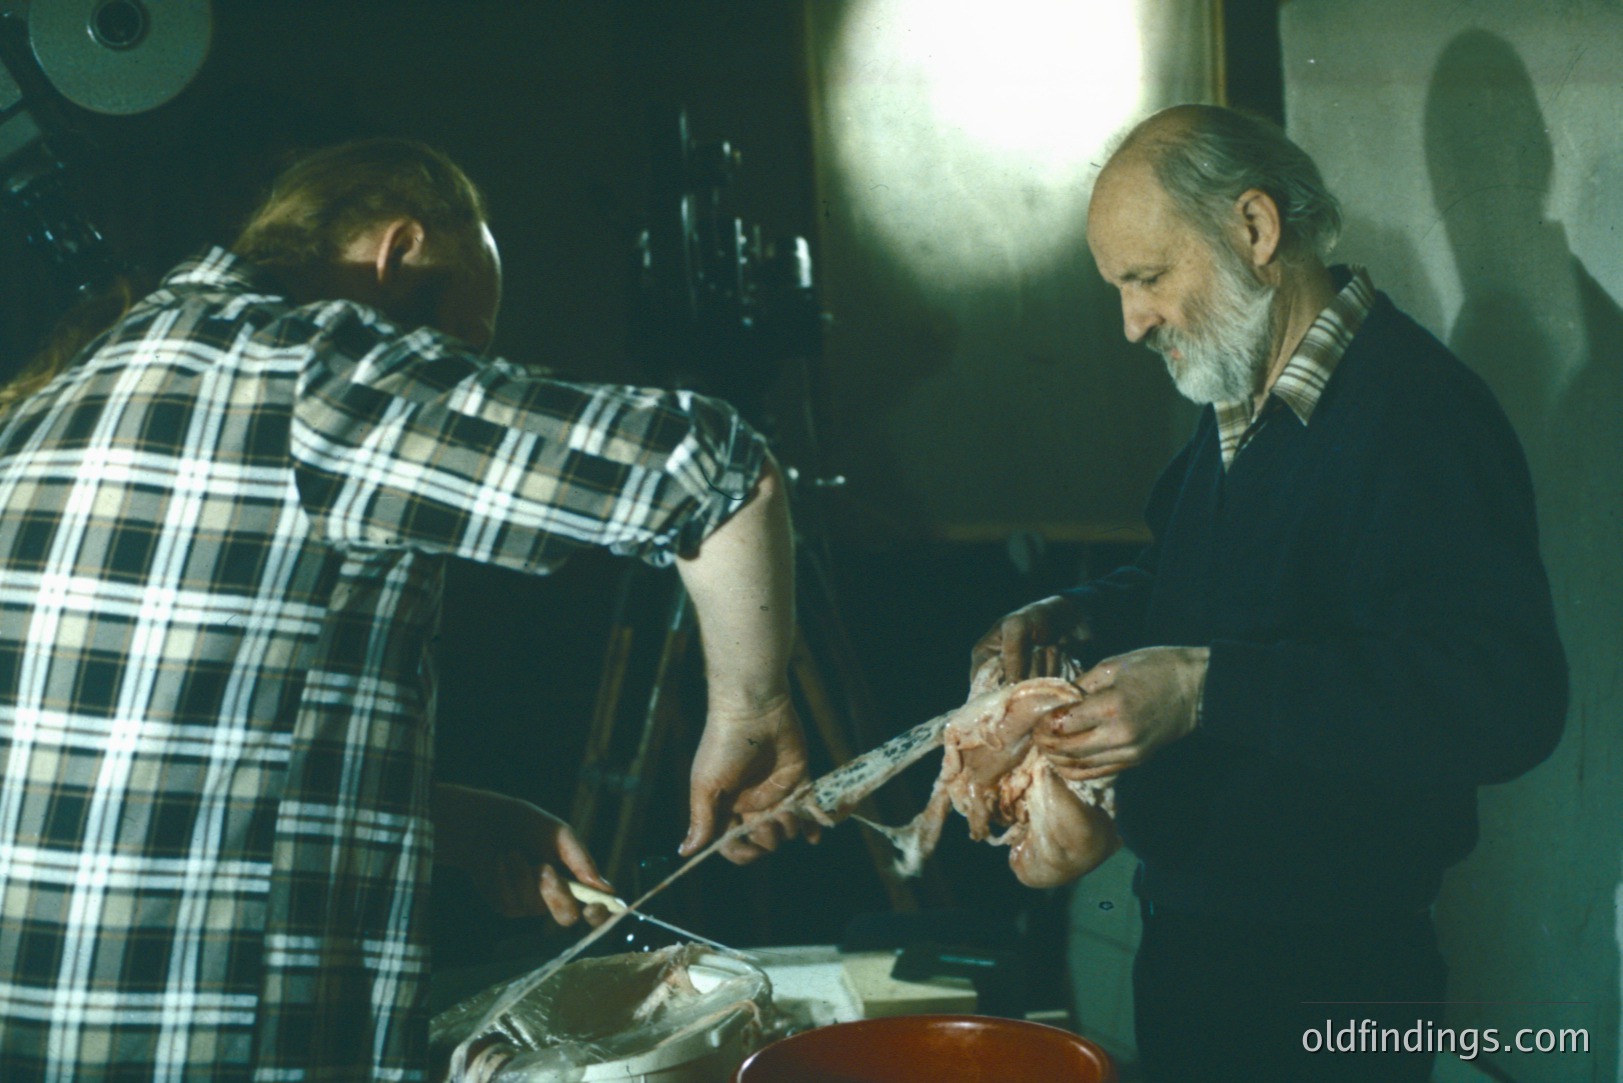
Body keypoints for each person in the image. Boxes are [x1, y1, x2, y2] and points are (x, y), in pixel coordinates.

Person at [0, 138, 813, 1081]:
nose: (467, 371)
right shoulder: (310, 370)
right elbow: (713, 472)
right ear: (398, 255)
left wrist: (448, 821)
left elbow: (136, 745)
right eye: (467, 344)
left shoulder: (54, 403)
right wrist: (752, 714)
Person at [975, 105, 1567, 1082]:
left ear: (1255, 229)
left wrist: (1208, 690)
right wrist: (1078, 614)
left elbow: (1508, 698)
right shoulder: (1241, 391)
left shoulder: (1418, 415)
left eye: (1148, 278)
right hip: (1201, 949)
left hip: (1331, 981)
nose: (1131, 324)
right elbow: (1199, 586)